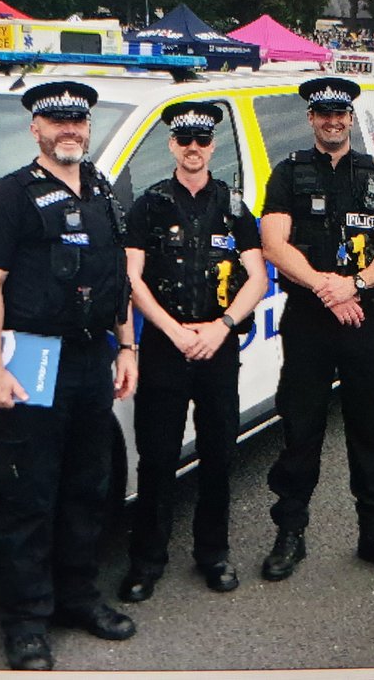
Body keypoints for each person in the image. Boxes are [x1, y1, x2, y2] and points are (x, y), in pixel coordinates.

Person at [0, 80, 139, 672]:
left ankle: (78, 599)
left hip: (93, 357)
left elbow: (117, 278)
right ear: (35, 129)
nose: (70, 130)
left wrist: (127, 347)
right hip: (30, 360)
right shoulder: (9, 196)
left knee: (86, 488)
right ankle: (26, 623)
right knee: (26, 495)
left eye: (78, 121)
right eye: (57, 121)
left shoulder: (104, 191)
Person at [258, 76, 374, 583]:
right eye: (323, 113)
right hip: (308, 318)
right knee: (299, 430)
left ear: (350, 118)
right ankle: (290, 535)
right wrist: (329, 287)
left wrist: (357, 284)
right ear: (310, 118)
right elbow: (273, 244)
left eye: (340, 114)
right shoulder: (288, 173)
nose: (332, 121)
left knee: (370, 429)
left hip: (365, 317)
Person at [116, 102, 267, 603]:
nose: (194, 149)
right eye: (185, 140)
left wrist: (222, 327)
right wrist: (174, 330)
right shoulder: (149, 205)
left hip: (218, 347)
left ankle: (213, 554)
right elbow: (131, 278)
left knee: (219, 454)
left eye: (202, 140)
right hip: (166, 346)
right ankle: (146, 562)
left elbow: (258, 277)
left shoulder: (235, 206)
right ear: (172, 146)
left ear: (213, 147)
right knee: (157, 459)